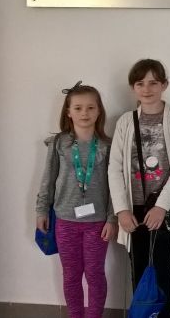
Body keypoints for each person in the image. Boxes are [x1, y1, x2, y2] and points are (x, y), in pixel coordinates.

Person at [108, 59, 170, 318]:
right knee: (139, 267)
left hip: (162, 208)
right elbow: (114, 167)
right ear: (133, 87)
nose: (147, 89)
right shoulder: (125, 121)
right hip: (134, 208)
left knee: (162, 268)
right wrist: (121, 210)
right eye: (140, 83)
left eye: (153, 82)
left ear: (165, 85)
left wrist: (161, 207)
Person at [35, 82, 117, 318]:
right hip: (65, 221)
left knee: (95, 274)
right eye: (78, 108)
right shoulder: (59, 143)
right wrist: (41, 210)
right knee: (71, 275)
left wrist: (111, 218)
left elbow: (115, 186)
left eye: (91, 107)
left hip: (97, 223)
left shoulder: (108, 146)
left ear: (99, 111)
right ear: (68, 112)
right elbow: (48, 179)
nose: (84, 113)